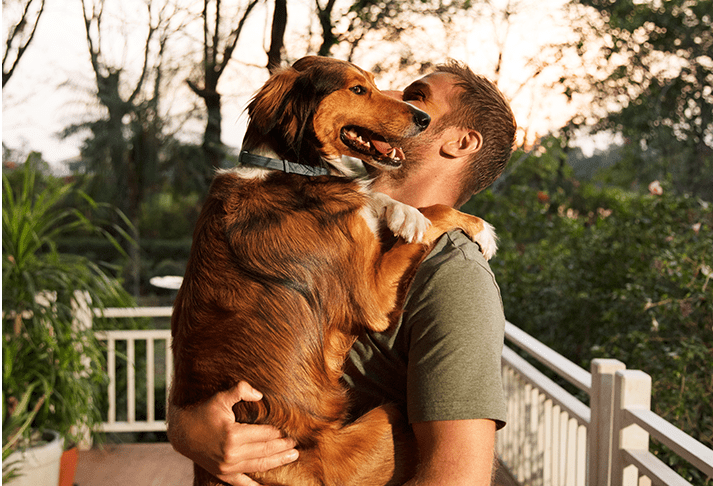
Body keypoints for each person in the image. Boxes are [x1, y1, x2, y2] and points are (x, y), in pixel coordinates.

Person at [166, 59, 517, 486]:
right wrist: (186, 426)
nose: (391, 101)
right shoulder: (291, 218)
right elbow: (211, 353)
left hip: (322, 461)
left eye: (416, 98)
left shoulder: (454, 274)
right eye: (370, 92)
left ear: (462, 143)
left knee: (399, 426)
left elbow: (459, 477)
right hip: (275, 462)